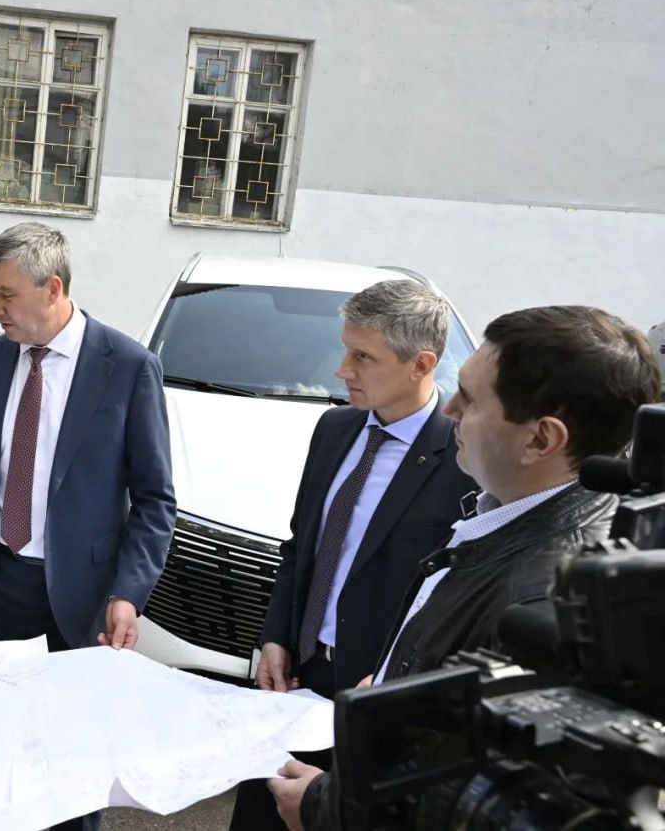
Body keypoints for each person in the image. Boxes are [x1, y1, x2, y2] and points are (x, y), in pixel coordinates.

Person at [270, 305, 662, 831]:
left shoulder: (542, 602)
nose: (450, 408)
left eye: (471, 399)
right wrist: (392, 678)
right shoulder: (508, 517)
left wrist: (323, 808)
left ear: (541, 440)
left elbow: (473, 797)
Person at [0, 222, 175, 831]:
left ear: (52, 288)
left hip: (82, 604)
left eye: (6, 294)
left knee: (70, 774)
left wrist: (128, 593)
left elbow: (155, 500)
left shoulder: (127, 367)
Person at [231, 279, 477, 830]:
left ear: (421, 364)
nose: (343, 370)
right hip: (295, 681)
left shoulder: (463, 458)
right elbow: (300, 546)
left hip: (377, 699)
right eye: (346, 351)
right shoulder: (334, 428)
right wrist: (275, 637)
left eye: (363, 357)